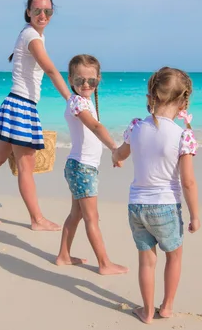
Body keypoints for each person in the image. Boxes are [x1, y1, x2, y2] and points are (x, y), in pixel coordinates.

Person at [0, 0, 71, 231]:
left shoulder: (32, 35)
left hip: (15, 104)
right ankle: (37, 219)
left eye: (47, 11)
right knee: (26, 167)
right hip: (22, 106)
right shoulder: (31, 36)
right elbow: (51, 70)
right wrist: (71, 98)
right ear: (28, 12)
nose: (43, 15)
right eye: (37, 10)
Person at [112, 67, 200, 323]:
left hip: (136, 206)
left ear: (152, 95)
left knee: (146, 261)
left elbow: (121, 154)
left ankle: (147, 311)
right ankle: (167, 306)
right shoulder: (183, 135)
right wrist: (195, 215)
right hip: (165, 207)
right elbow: (188, 181)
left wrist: (115, 158)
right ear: (183, 101)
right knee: (173, 256)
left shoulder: (136, 127)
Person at [54, 54, 129, 275]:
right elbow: (96, 127)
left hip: (80, 167)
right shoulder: (78, 102)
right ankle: (104, 263)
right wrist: (115, 150)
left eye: (91, 81)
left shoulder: (83, 101)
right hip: (82, 168)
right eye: (80, 80)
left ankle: (63, 256)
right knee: (91, 217)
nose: (86, 85)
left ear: (98, 80)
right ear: (70, 80)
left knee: (76, 214)